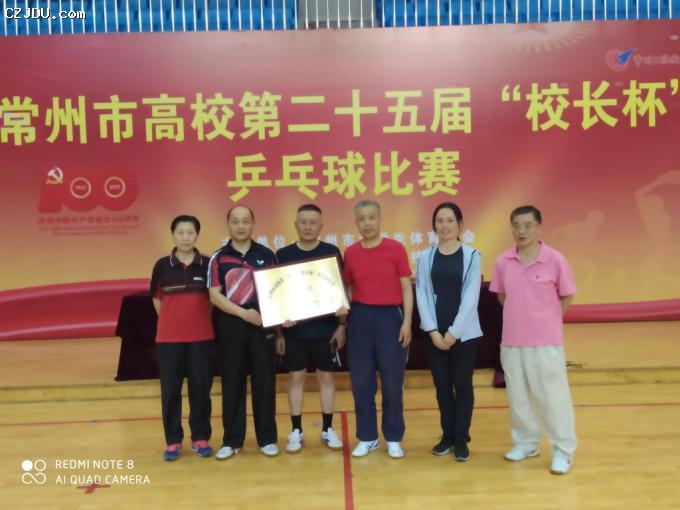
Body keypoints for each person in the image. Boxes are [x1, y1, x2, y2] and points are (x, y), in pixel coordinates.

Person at [489, 205, 577, 475]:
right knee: (518, 397)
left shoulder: (555, 260)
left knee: (553, 397)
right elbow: (502, 297)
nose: (521, 231)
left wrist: (547, 320)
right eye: (516, 225)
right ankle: (526, 444)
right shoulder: (503, 262)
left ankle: (563, 451)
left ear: (539, 228)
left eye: (527, 225)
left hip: (546, 342)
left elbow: (567, 296)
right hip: (512, 341)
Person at [343, 200, 412, 459]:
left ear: (380, 219)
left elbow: (406, 288)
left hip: (390, 318)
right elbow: (349, 288)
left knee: (392, 382)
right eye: (362, 218)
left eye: (371, 217)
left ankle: (393, 436)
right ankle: (367, 437)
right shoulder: (350, 253)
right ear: (356, 222)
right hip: (360, 318)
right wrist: (343, 309)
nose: (367, 223)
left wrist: (407, 322)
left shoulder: (395, 248)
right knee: (362, 382)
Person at [208, 205, 278, 459]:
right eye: (235, 221)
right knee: (232, 383)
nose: (240, 226)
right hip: (231, 327)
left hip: (262, 326)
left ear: (253, 223)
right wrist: (242, 313)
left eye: (245, 221)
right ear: (228, 224)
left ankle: (267, 439)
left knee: (264, 383)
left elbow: (276, 291)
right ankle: (232, 440)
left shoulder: (267, 255)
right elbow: (214, 295)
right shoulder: (218, 258)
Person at [275, 204, 346, 453]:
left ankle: (327, 428)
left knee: (326, 377)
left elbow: (340, 290)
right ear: (296, 225)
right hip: (294, 332)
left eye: (313, 222)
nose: (308, 227)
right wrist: (279, 330)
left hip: (326, 330)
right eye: (303, 222)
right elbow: (277, 295)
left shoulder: (331, 252)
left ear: (321, 226)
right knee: (296, 377)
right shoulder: (283, 254)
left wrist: (341, 325)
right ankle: (296, 430)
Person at [415, 202, 482, 462]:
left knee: (462, 386)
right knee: (442, 387)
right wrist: (432, 331)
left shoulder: (472, 255)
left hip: (464, 335)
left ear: (460, 224)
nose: (444, 226)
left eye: (450, 220)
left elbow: (471, 298)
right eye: (440, 221)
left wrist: (454, 333)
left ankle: (461, 438)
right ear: (434, 225)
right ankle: (447, 436)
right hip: (435, 335)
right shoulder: (425, 256)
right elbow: (421, 293)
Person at [150, 215, 214, 461]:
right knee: (170, 392)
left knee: (201, 390)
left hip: (201, 338)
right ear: (173, 235)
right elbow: (157, 300)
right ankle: (173, 441)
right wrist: (173, 321)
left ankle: (200, 437)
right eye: (181, 232)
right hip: (168, 340)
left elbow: (213, 301)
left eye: (190, 233)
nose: (186, 237)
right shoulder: (161, 265)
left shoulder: (207, 263)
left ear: (197, 235)